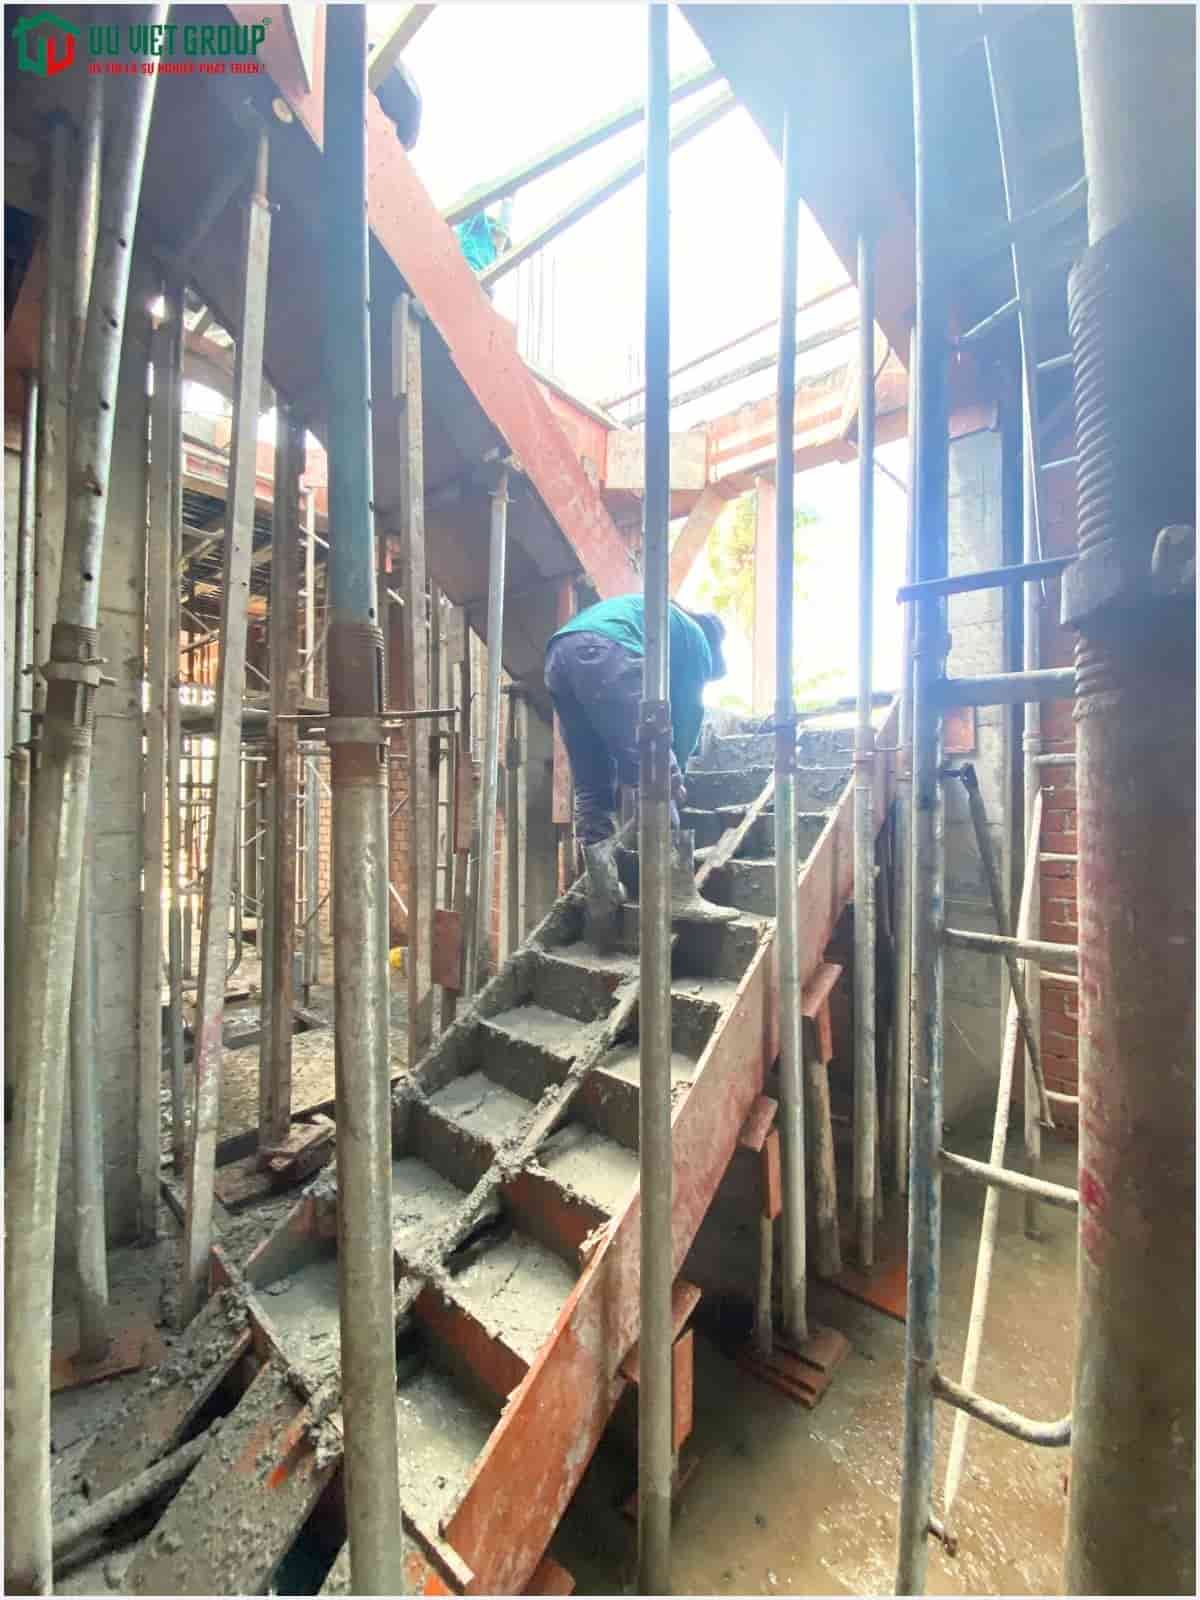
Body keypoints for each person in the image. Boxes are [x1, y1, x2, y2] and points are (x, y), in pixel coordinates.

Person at [545, 594, 738, 926]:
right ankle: (676, 892)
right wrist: (674, 773)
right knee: (656, 774)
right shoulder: (696, 639)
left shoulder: (656, 620)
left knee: (592, 784)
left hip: (559, 657)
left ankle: (602, 888)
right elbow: (687, 715)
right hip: (605, 650)